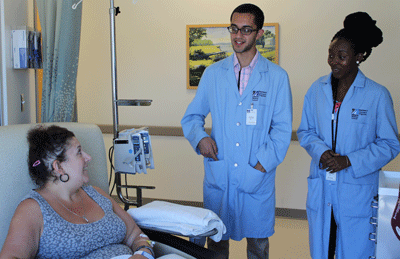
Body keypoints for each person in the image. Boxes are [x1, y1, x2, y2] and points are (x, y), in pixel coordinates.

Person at [181, 3, 292, 258]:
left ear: (259, 33)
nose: (238, 35)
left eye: (246, 29)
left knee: (258, 245)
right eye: (233, 28)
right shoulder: (213, 74)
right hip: (221, 171)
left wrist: (261, 166)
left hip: (257, 174)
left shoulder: (276, 77)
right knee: (217, 241)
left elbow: (282, 130)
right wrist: (200, 138)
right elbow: (191, 117)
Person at [297, 12, 400, 258]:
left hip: (356, 189)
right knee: (323, 248)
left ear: (359, 57)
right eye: (331, 55)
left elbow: (390, 144)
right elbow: (305, 130)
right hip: (322, 186)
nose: (334, 61)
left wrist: (349, 160)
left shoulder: (377, 95)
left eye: (342, 56)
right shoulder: (317, 89)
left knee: (354, 249)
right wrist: (321, 152)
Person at [0, 125, 155, 259]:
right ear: (58, 167)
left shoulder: (97, 194)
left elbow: (136, 235)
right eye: (79, 152)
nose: (88, 157)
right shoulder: (33, 209)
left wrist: (144, 253)